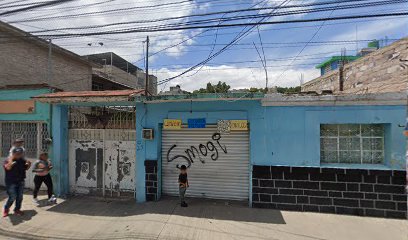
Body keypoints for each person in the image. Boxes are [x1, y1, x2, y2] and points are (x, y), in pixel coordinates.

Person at [3, 147, 31, 217]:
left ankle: (17, 209)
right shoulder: (8, 160)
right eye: (17, 153)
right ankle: (6, 209)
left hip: (20, 181)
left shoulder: (22, 160)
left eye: (20, 153)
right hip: (11, 182)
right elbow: (7, 168)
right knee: (13, 196)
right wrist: (11, 160)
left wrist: (29, 164)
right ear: (13, 153)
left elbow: (26, 168)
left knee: (20, 197)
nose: (19, 155)